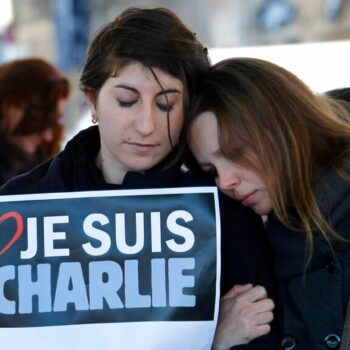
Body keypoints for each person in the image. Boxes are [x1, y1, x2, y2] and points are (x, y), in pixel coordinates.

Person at [0, 9, 278, 349]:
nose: (146, 125)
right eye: (127, 101)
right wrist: (211, 341)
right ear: (91, 99)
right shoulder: (20, 206)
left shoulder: (221, 211)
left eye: (165, 105)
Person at [188, 57, 350, 349]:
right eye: (211, 171)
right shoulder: (259, 245)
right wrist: (218, 341)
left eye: (235, 152)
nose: (224, 182)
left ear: (282, 124)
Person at [0, 58, 70, 185]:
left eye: (55, 122)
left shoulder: (48, 169)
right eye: (39, 118)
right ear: (8, 105)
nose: (48, 136)